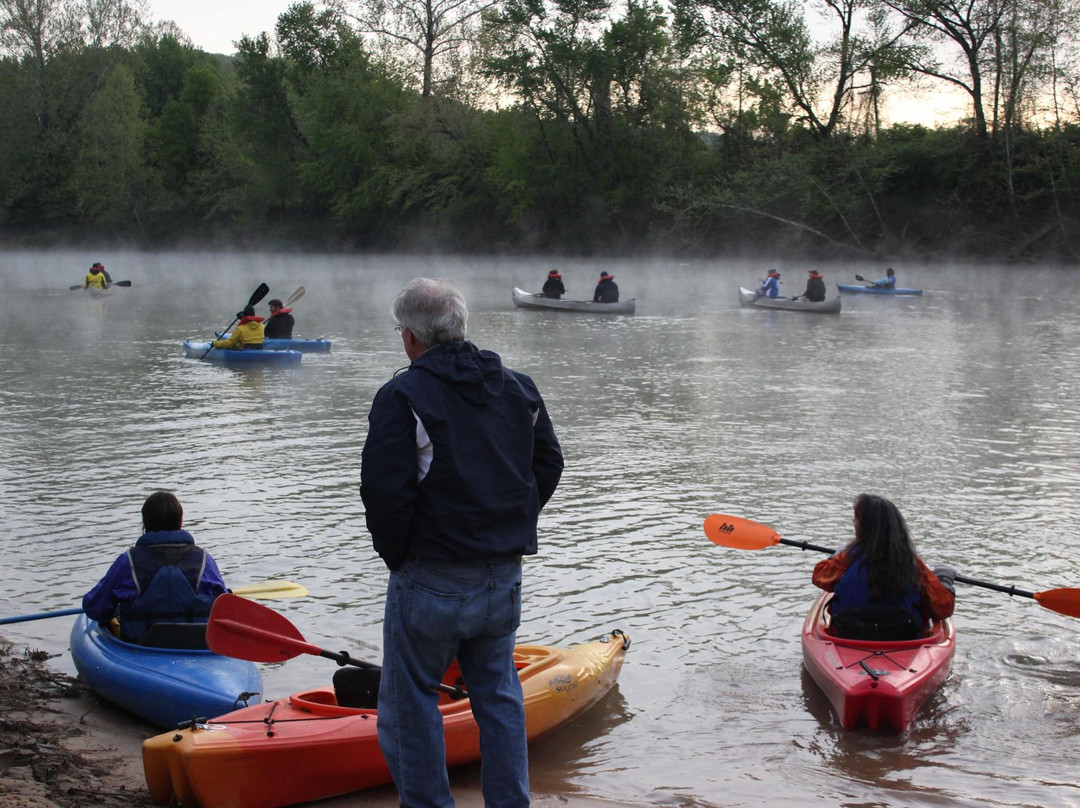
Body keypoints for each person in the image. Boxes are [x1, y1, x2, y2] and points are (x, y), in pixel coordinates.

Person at [360, 277, 563, 808]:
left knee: (409, 704)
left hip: (433, 571)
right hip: (503, 572)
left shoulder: (403, 394)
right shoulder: (518, 387)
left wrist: (399, 555)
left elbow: (385, 492)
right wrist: (507, 525)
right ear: (461, 326)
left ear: (409, 336)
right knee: (497, 694)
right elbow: (547, 465)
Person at [82, 492, 228, 645]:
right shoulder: (204, 560)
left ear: (145, 524)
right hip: (197, 647)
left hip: (140, 647)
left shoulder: (128, 561)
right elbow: (225, 610)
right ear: (180, 522)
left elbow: (94, 608)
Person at [812, 494, 956, 640]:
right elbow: (943, 608)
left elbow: (820, 577)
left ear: (866, 527)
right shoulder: (913, 564)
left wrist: (835, 556)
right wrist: (945, 580)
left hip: (850, 637)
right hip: (904, 641)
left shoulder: (846, 559)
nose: (853, 523)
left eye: (856, 520)